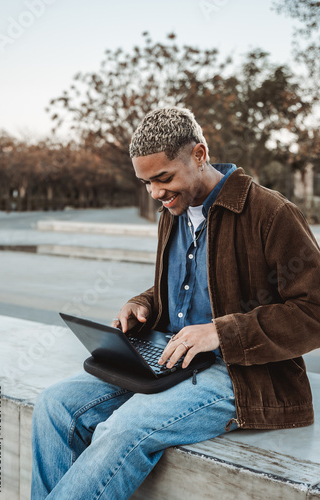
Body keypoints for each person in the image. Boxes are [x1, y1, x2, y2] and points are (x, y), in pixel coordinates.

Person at [31, 107, 320, 499]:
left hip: (239, 374)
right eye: (146, 182)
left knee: (122, 429)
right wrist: (143, 303)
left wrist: (221, 331)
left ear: (199, 155)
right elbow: (189, 287)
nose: (155, 193)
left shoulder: (272, 213)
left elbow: (313, 310)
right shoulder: (174, 210)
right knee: (54, 405)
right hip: (170, 357)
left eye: (163, 178)